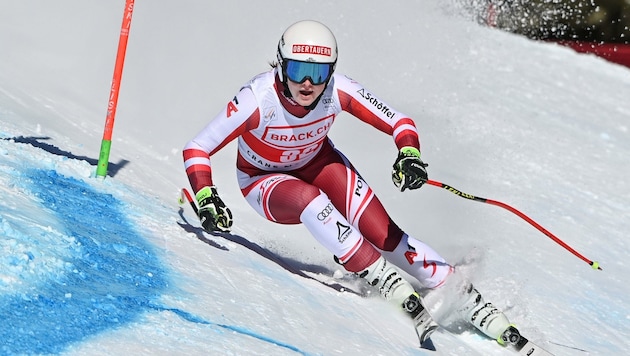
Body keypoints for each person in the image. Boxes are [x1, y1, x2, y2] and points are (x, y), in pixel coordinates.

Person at [183, 20, 518, 346]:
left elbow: (399, 121)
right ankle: (380, 276)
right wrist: (206, 194)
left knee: (384, 233)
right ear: (282, 66)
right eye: (299, 71)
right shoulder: (257, 99)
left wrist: (409, 154)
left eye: (320, 72)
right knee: (309, 199)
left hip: (319, 163)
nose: (309, 84)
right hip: (262, 180)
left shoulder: (337, 90)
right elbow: (197, 148)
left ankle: (462, 293)